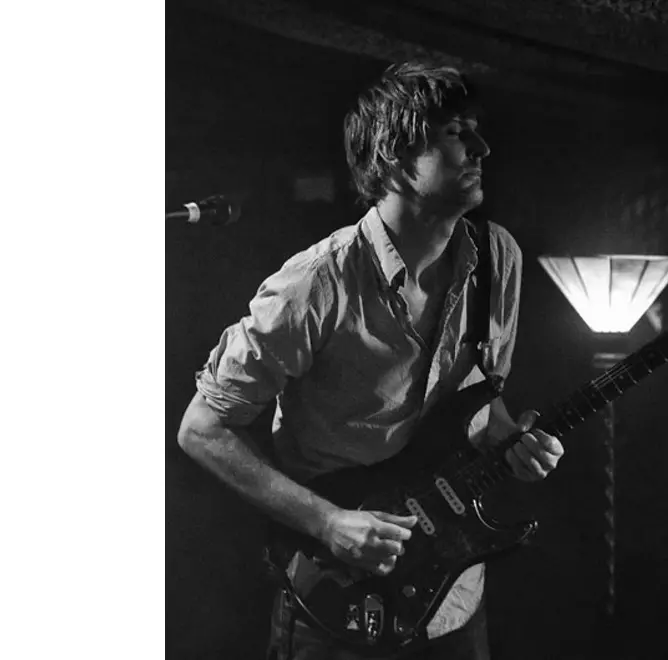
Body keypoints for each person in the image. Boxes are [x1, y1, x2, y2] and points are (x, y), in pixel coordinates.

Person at [176, 61, 565, 660]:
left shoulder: (499, 258)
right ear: (394, 157)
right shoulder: (316, 283)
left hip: (455, 600)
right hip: (333, 596)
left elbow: (480, 402)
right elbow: (201, 429)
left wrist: (513, 441)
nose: (483, 148)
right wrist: (328, 522)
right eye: (456, 133)